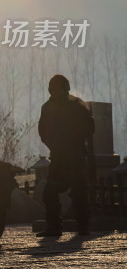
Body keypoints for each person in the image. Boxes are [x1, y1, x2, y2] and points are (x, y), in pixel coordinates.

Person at [36, 74, 95, 237]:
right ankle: (54, 227)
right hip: (58, 157)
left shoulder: (76, 104)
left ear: (65, 88)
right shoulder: (47, 107)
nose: (53, 91)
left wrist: (74, 141)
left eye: (56, 88)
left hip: (75, 156)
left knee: (79, 192)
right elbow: (42, 130)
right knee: (49, 192)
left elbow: (89, 127)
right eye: (51, 88)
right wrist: (54, 145)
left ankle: (83, 226)